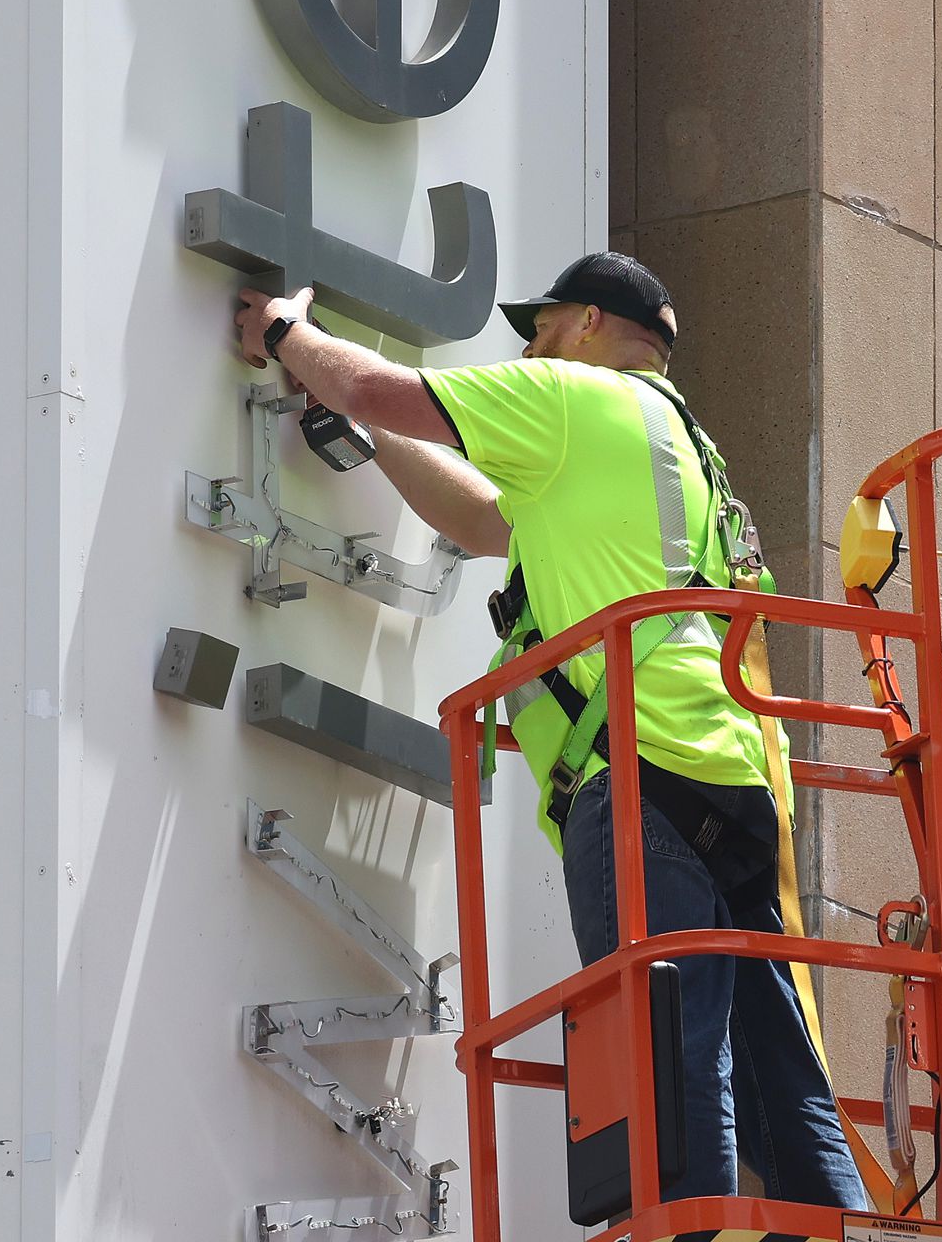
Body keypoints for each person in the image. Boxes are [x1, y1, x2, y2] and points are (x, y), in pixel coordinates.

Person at [232, 252, 867, 1215]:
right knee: (775, 1058)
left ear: (585, 325)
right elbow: (481, 518)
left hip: (640, 775)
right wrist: (354, 418)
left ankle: (682, 1233)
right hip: (729, 779)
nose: (531, 346)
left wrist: (287, 336)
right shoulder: (679, 446)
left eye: (542, 326)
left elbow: (391, 391)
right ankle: (831, 1222)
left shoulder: (571, 398)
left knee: (666, 1062)